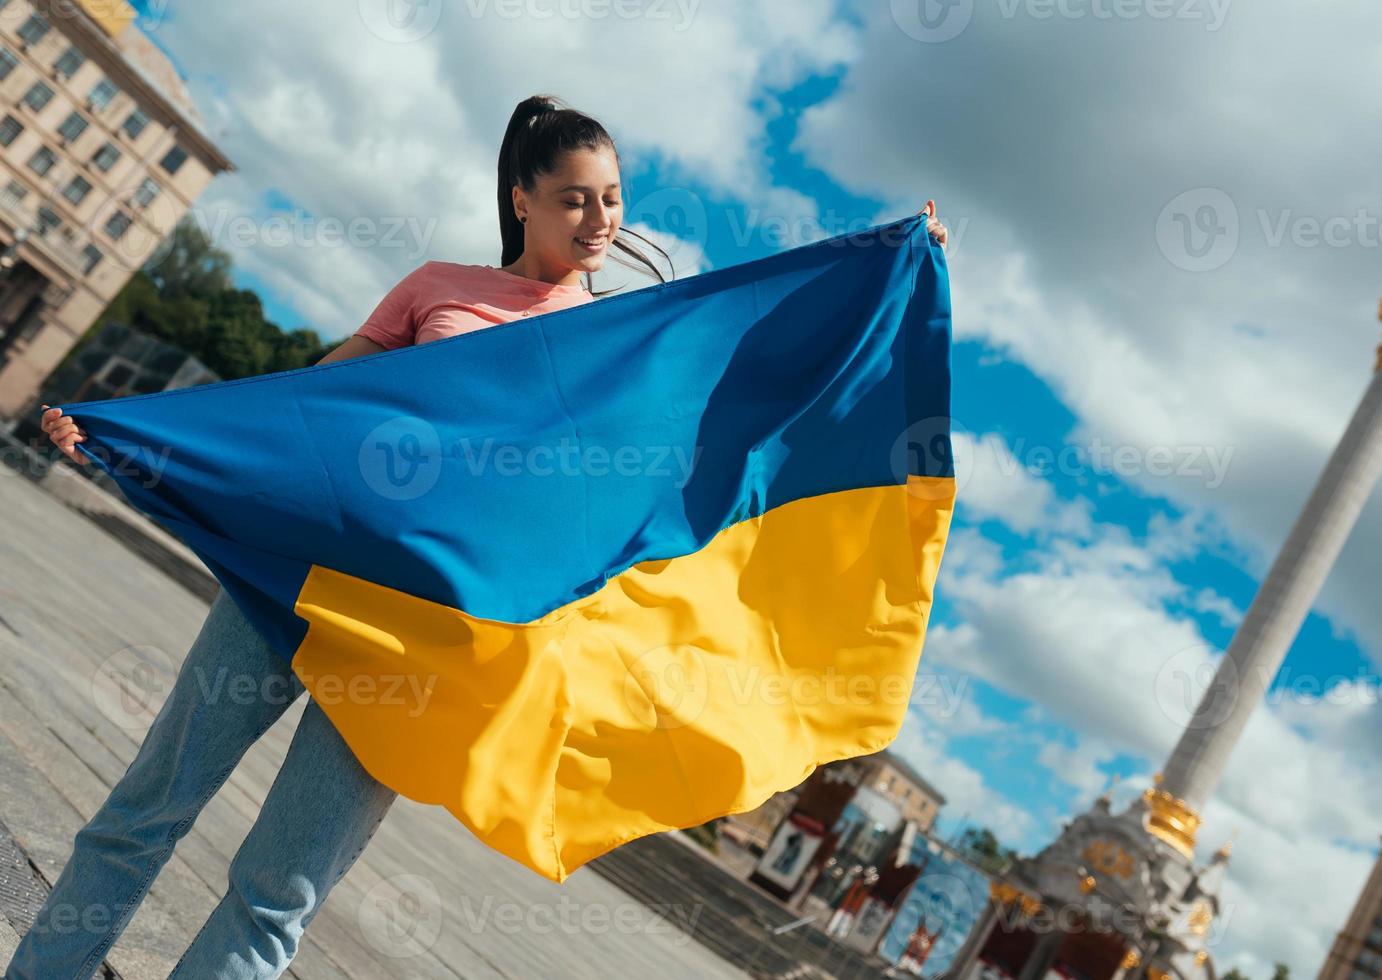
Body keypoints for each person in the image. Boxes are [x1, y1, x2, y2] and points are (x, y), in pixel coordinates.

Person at [11, 90, 949, 979]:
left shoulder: (618, 345)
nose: (598, 219)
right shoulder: (437, 287)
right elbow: (300, 407)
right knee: (142, 813)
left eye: (612, 199)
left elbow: (754, 366)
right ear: (522, 199)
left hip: (430, 647)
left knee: (276, 895)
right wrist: (143, 439)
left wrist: (888, 262)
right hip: (295, 588)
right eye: (573, 198)